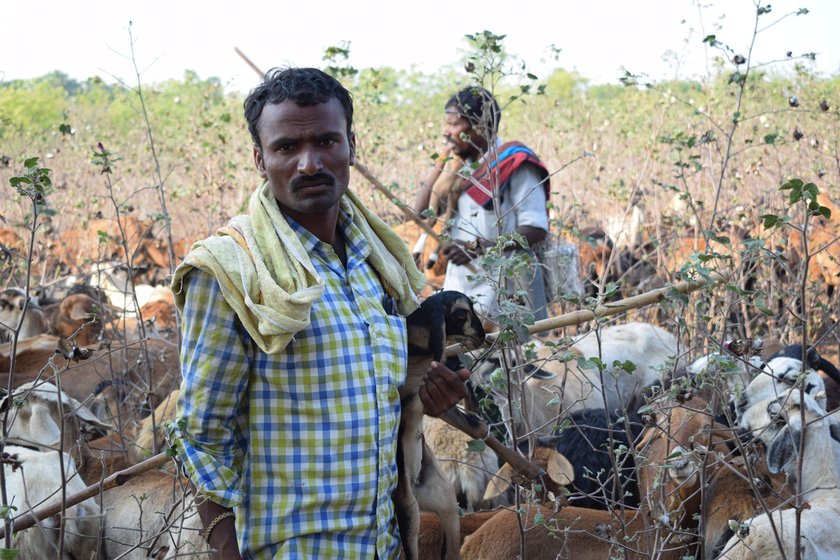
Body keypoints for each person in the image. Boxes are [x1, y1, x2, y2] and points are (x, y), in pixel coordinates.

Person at [169, 67, 471, 560]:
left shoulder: (381, 263)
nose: (309, 164)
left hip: (386, 546)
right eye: (287, 147)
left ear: (351, 145)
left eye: (326, 141)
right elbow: (202, 436)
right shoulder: (233, 269)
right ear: (259, 158)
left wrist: (428, 393)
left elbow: (379, 393)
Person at [414, 86, 551, 322]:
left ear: (481, 127)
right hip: (462, 293)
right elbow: (419, 213)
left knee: (512, 358)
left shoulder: (515, 164)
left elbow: (536, 229)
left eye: (454, 124)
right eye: (445, 124)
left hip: (507, 295)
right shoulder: (460, 170)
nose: (446, 132)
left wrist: (475, 247)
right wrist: (439, 164)